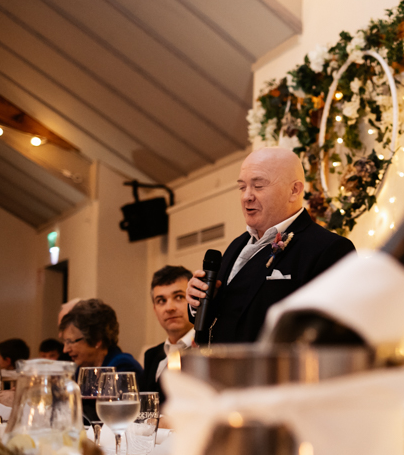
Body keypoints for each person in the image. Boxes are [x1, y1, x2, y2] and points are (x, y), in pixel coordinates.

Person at [186, 148, 355, 344]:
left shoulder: (329, 249)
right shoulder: (236, 245)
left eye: (258, 186)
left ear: (294, 190)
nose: (246, 196)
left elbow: (330, 338)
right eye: (242, 187)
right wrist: (198, 301)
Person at [142, 265, 194, 405]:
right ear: (155, 309)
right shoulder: (151, 355)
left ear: (194, 300)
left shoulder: (209, 349)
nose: (169, 308)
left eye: (179, 297)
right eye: (161, 301)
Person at [59, 299, 143, 378]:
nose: (65, 350)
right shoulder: (81, 370)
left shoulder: (123, 367)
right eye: (65, 342)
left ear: (96, 339)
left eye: (70, 342)